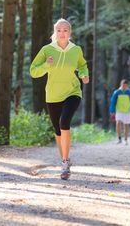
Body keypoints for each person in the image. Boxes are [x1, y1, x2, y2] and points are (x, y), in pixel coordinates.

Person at [30, 18, 89, 180]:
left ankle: (65, 162)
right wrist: (46, 65)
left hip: (72, 92)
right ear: (55, 33)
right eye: (59, 30)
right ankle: (65, 161)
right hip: (53, 95)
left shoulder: (75, 50)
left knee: (64, 123)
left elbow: (82, 65)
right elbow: (33, 71)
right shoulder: (47, 50)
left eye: (65, 30)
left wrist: (84, 75)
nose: (62, 33)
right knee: (58, 130)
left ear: (69, 33)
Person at [109, 79, 130, 145]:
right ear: (121, 85)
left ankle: (126, 139)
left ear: (127, 85)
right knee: (118, 123)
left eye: (125, 85)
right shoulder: (117, 92)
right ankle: (119, 138)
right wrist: (112, 111)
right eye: (123, 85)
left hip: (127, 111)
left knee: (126, 125)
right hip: (119, 110)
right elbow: (113, 102)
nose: (124, 87)